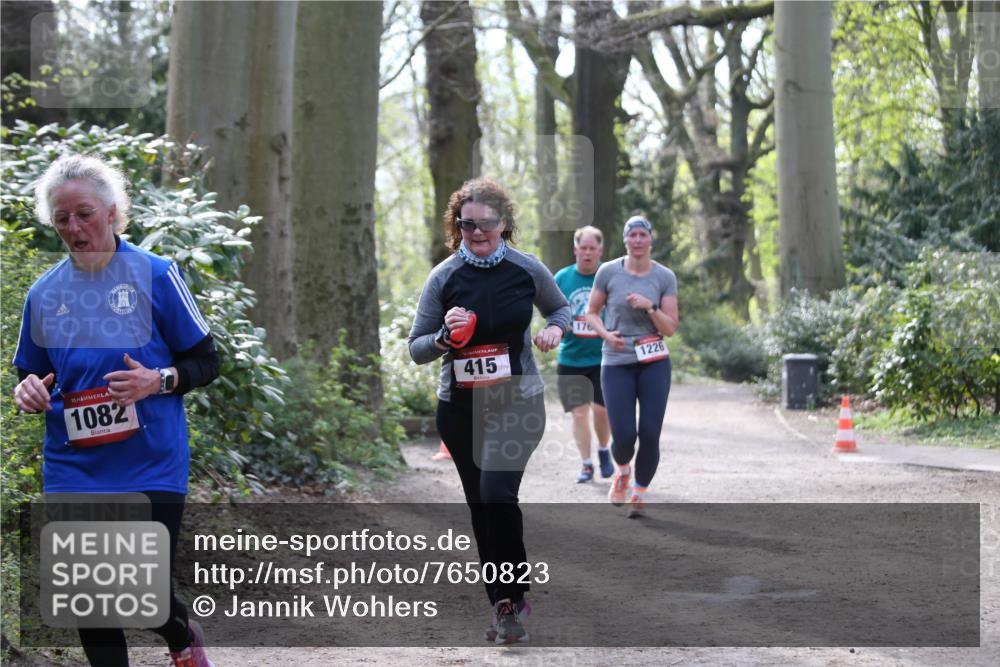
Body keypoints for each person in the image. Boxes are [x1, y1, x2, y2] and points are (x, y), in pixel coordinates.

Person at [12, 154, 219, 667]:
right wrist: (28, 391)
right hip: (74, 464)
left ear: (111, 212)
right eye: (62, 218)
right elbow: (31, 374)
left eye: (83, 214)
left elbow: (206, 361)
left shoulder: (156, 275)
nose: (73, 227)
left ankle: (180, 634)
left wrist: (158, 380)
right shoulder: (44, 293)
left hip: (150, 460)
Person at [408, 177, 570, 644]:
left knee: (497, 493)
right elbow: (416, 348)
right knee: (481, 505)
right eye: (467, 224)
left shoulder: (527, 268)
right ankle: (503, 603)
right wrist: (444, 338)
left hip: (517, 400)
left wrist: (555, 331)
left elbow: (560, 310)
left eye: (486, 223)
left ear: (504, 222)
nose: (477, 232)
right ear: (456, 226)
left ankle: (512, 596)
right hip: (460, 409)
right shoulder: (444, 277)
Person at [585, 215, 678, 518]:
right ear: (625, 240)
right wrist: (605, 334)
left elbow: (670, 327)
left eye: (642, 235)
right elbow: (591, 312)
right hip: (617, 362)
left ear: (650, 239)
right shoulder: (608, 272)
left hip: (654, 362)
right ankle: (623, 471)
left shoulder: (664, 277)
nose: (637, 240)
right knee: (624, 436)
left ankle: (639, 491)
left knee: (650, 432)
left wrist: (650, 307)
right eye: (632, 235)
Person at [553, 226, 613, 483]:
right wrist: (558, 326)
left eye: (592, 248)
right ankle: (586, 464)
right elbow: (552, 310)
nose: (587, 253)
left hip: (604, 358)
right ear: (575, 250)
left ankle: (604, 450)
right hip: (571, 358)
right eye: (583, 248)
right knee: (579, 414)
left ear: (600, 250)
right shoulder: (562, 278)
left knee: (602, 411)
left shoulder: (609, 276)